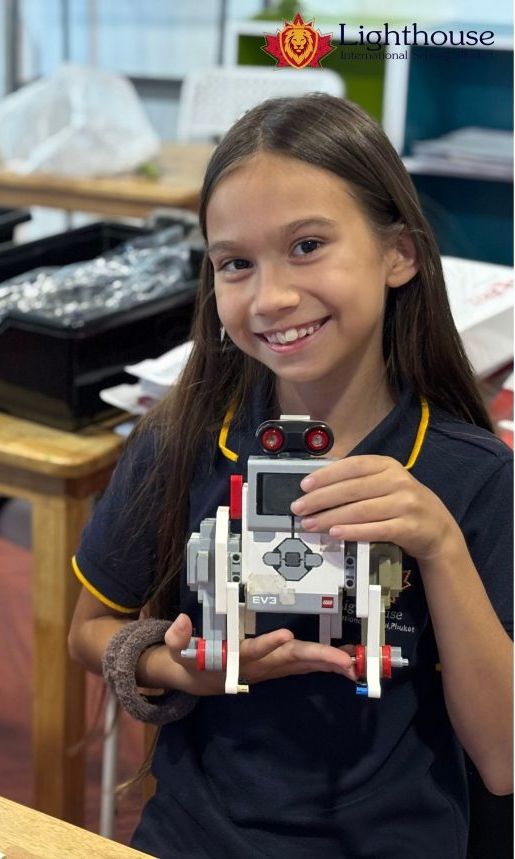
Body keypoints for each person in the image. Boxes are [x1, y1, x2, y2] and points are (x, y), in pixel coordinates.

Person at [68, 94, 512, 858]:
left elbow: (503, 758)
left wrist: (438, 544)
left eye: (307, 245)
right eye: (236, 263)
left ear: (398, 253)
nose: (270, 296)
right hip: (193, 834)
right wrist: (175, 666)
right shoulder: (179, 440)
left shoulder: (472, 476)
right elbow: (88, 630)